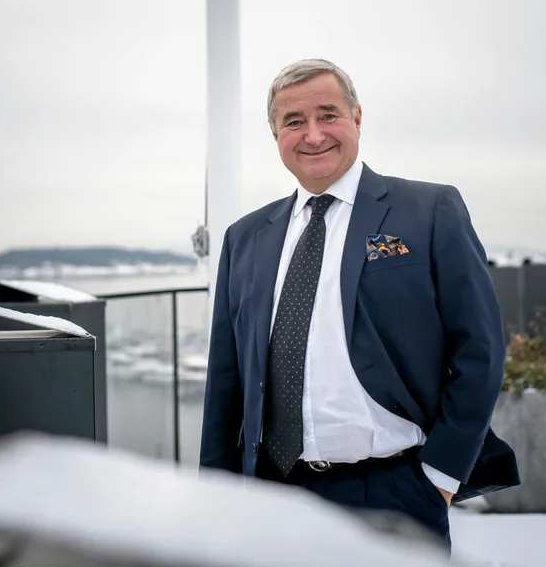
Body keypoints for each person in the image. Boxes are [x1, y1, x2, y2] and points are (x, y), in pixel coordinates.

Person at [199, 58, 519, 549]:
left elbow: (480, 349)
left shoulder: (429, 211)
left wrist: (440, 476)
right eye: (294, 121)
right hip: (272, 497)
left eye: (327, 115)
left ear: (356, 118)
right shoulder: (245, 239)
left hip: (395, 493)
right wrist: (215, 497)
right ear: (275, 134)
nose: (313, 135)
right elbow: (227, 382)